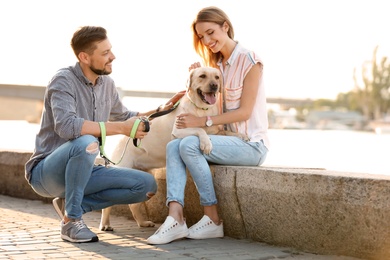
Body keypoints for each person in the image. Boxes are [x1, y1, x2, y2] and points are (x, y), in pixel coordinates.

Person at [25, 26, 181, 243]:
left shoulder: (107, 84)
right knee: (86, 142)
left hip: (85, 170)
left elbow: (125, 115)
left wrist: (163, 108)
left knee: (146, 186)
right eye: (105, 53)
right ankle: (72, 223)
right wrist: (121, 129)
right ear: (84, 57)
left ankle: (72, 206)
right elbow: (67, 127)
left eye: (111, 50)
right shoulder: (63, 81)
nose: (113, 57)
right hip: (46, 173)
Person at [147, 6, 270, 245]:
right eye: (202, 37)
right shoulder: (216, 66)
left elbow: (244, 112)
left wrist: (202, 122)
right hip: (222, 140)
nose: (207, 40)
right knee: (174, 146)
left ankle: (212, 218)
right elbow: (204, 104)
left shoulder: (250, 60)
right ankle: (175, 217)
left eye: (211, 32)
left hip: (251, 145)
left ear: (225, 26)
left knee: (188, 145)